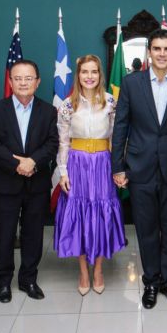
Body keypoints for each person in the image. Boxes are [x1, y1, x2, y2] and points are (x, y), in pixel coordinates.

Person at [112, 29, 167, 309]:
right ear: (148, 52)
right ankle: (151, 281)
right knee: (147, 228)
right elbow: (121, 128)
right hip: (140, 169)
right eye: (157, 49)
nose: (162, 54)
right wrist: (118, 166)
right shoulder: (131, 83)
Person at [0, 60, 58, 303]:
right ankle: (4, 281)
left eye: (28, 78)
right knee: (4, 234)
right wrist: (17, 164)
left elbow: (53, 143)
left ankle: (28, 279)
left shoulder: (49, 111)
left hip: (37, 183)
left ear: (37, 82)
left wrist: (32, 162)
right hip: (5, 183)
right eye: (18, 78)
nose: (23, 83)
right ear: (10, 81)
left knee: (33, 234)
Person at [55, 54, 125, 295]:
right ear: (78, 75)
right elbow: (63, 142)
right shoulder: (67, 105)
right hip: (77, 164)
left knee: (101, 213)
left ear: (100, 75)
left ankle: (99, 270)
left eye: (94, 72)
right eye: (85, 72)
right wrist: (63, 172)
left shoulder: (110, 102)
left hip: (103, 164)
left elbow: (117, 138)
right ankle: (84, 270)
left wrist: (119, 167)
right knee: (80, 214)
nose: (89, 76)